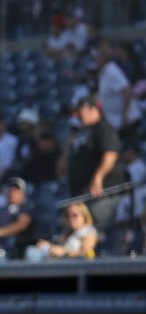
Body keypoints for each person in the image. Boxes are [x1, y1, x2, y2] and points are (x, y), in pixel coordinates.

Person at [65, 94, 126, 230]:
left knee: (97, 228)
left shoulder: (103, 128)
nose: (78, 116)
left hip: (102, 191)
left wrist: (98, 177)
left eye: (81, 111)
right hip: (84, 192)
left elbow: (110, 154)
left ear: (92, 109)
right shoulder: (83, 132)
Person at [32, 201, 98, 260]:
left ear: (84, 215)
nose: (71, 218)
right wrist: (49, 247)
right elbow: (61, 250)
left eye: (75, 215)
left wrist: (63, 252)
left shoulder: (88, 231)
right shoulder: (68, 233)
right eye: (68, 215)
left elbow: (84, 254)